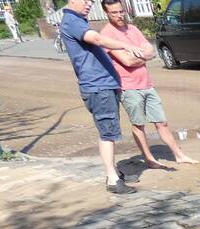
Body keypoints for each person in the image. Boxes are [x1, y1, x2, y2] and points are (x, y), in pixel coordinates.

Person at [99, 0, 197, 168]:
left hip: (146, 83)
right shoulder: (107, 34)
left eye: (121, 11)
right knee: (139, 124)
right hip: (128, 87)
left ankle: (179, 155)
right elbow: (127, 61)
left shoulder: (133, 29)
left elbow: (151, 51)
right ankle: (149, 158)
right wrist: (144, 55)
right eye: (114, 13)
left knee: (161, 121)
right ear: (106, 13)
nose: (119, 15)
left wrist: (143, 54)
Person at [59, 0, 144, 193]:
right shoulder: (72, 21)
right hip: (98, 87)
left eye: (91, 1)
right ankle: (113, 180)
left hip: (104, 85)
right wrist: (125, 46)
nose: (89, 4)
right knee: (108, 133)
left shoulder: (77, 19)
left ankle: (113, 172)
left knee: (110, 130)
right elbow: (96, 39)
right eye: (85, 0)